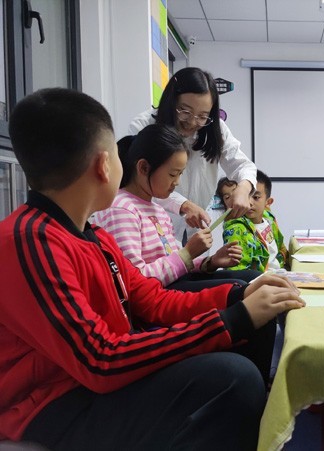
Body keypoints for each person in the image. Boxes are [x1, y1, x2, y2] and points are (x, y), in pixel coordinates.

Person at [0, 87, 305, 449]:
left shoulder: (91, 235)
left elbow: (153, 300)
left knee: (239, 355)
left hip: (93, 383)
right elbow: (100, 360)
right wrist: (231, 319)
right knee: (233, 377)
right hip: (54, 404)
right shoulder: (30, 240)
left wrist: (238, 297)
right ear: (104, 165)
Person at [94, 124, 261, 289]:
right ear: (143, 168)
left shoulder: (158, 210)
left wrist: (210, 262)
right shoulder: (122, 209)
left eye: (180, 174)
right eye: (173, 174)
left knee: (253, 277)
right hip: (155, 294)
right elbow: (133, 281)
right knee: (239, 288)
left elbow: (176, 264)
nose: (177, 182)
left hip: (173, 283)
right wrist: (187, 253)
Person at [129, 67, 257, 240]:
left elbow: (243, 165)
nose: (192, 122)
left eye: (202, 116)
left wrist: (243, 188)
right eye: (185, 111)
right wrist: (183, 205)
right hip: (153, 223)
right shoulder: (144, 126)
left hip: (197, 225)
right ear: (171, 101)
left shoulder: (214, 129)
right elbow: (137, 181)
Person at [223, 170, 288, 272]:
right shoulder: (236, 229)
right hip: (259, 279)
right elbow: (237, 272)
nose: (249, 202)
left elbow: (280, 249)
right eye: (245, 196)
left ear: (268, 202)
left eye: (256, 197)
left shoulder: (269, 219)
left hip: (279, 271)